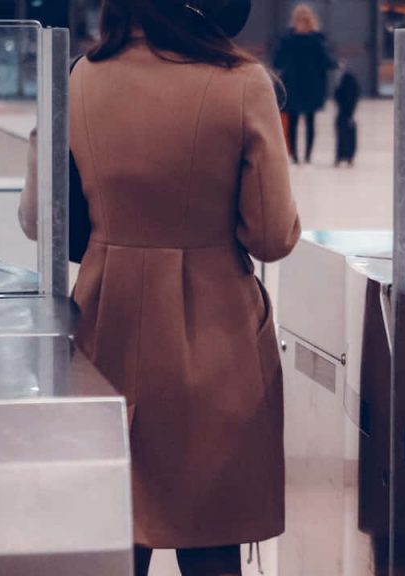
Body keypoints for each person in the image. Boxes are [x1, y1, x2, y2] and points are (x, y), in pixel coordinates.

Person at [19, 0, 300, 574]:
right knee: (214, 531)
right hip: (216, 330)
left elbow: (36, 217)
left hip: (104, 324)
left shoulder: (79, 77)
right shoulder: (242, 84)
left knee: (116, 527)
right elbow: (272, 235)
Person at [274, 3, 336, 164]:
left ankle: (295, 156)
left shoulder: (287, 40)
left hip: (293, 84)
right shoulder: (317, 40)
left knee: (293, 122)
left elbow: (277, 61)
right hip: (312, 85)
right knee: (310, 122)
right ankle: (306, 156)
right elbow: (327, 61)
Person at [334, 64, 360, 166]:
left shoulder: (347, 80)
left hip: (346, 112)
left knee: (345, 135)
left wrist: (350, 112)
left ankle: (345, 156)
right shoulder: (343, 79)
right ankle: (343, 156)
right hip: (344, 112)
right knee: (343, 135)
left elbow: (349, 97)